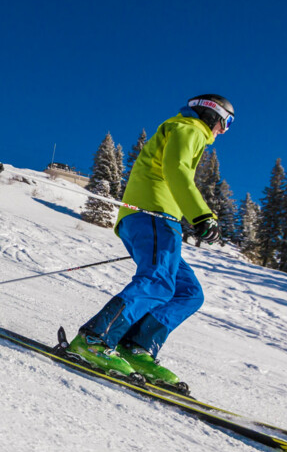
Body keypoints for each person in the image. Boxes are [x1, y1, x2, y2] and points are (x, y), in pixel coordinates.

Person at [64, 95, 235, 393]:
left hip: (159, 218)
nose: (225, 130)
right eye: (227, 122)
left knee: (188, 292)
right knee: (157, 281)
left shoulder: (187, 130)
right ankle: (94, 340)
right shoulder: (189, 128)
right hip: (152, 214)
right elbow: (176, 170)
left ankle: (136, 347)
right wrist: (201, 215)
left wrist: (193, 215)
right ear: (213, 115)